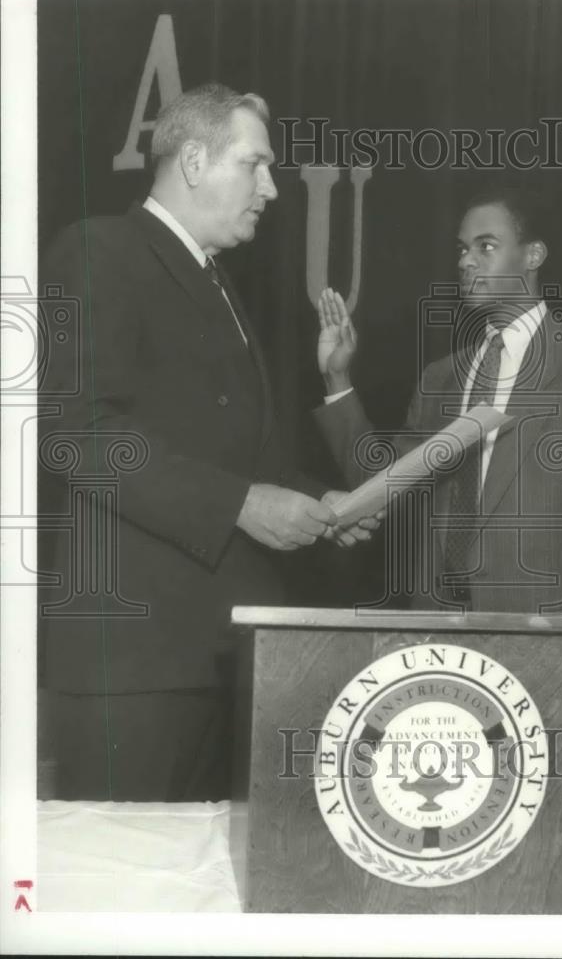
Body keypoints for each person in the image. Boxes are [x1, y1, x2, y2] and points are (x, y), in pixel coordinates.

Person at [38, 82, 379, 802]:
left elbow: (238, 462)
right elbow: (79, 435)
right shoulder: (100, 250)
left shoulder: (217, 282)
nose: (272, 188)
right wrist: (241, 503)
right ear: (193, 160)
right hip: (134, 672)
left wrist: (325, 500)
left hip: (218, 659)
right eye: (254, 164)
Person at [314, 184, 562, 697]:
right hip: (435, 653)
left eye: (486, 247)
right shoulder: (441, 377)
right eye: (462, 249)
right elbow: (375, 485)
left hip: (549, 659)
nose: (467, 262)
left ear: (533, 255)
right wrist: (338, 380)